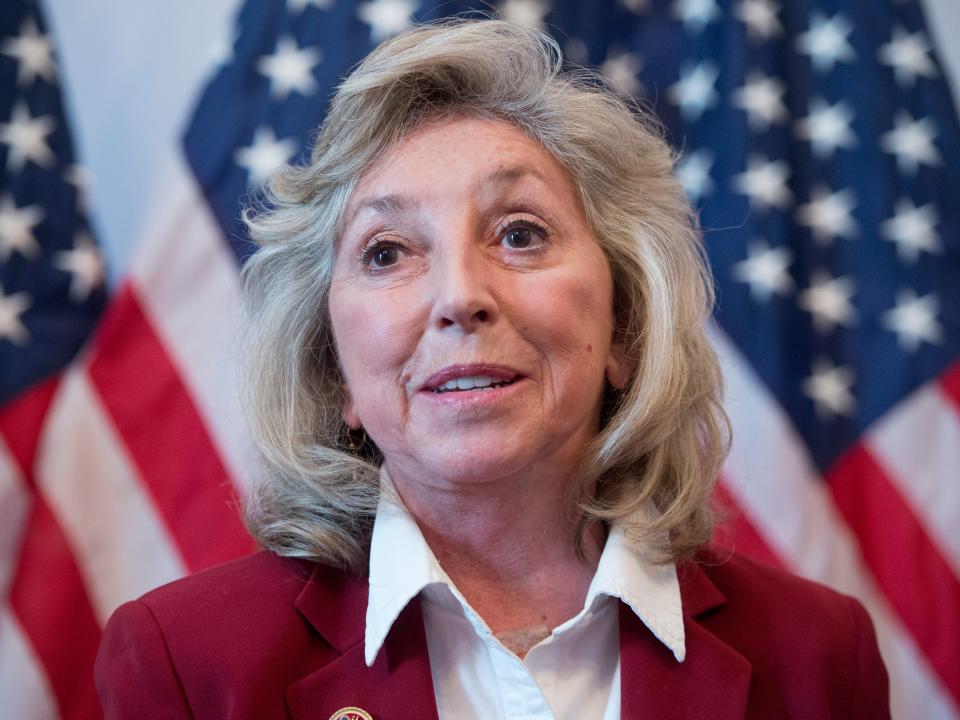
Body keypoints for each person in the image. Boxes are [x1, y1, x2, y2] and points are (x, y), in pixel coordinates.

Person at [95, 19, 889, 720]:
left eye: (519, 234)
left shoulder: (820, 657)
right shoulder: (190, 668)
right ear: (334, 369)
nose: (461, 298)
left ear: (625, 326)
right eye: (387, 252)